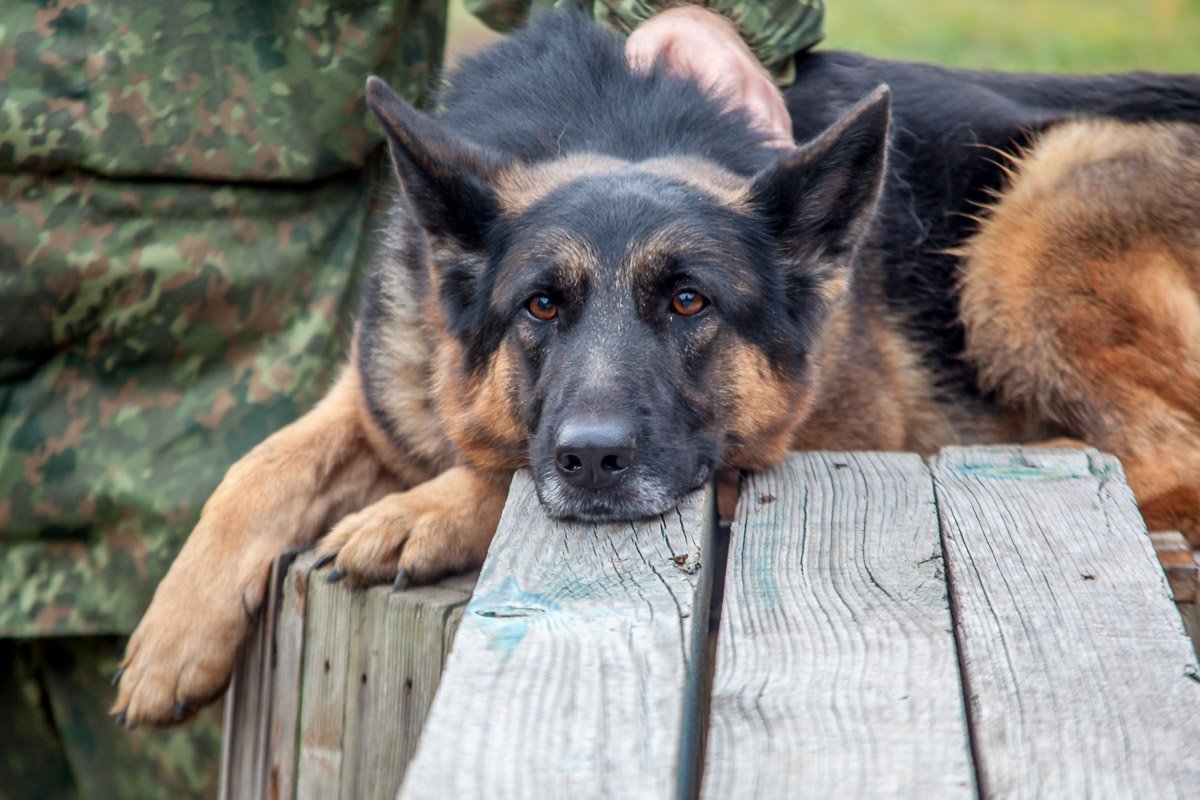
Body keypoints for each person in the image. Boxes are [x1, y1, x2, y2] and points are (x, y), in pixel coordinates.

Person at [0, 1, 822, 796]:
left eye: (683, 306)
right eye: (543, 306)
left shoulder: (747, 259)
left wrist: (704, 8)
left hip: (217, 377)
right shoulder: (477, 279)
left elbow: (791, 417)